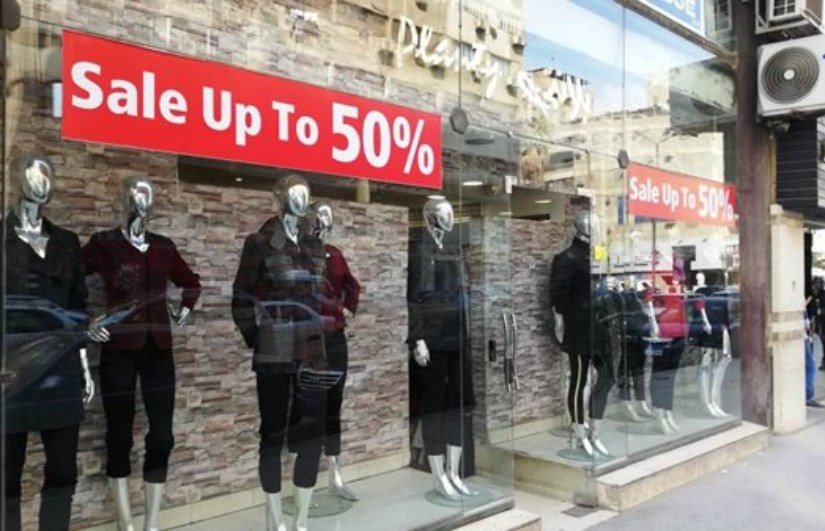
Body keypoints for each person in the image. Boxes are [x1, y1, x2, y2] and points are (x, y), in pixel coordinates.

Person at [805, 312, 823, 408]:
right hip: (803, 338)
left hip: (806, 337)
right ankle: (808, 397)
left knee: (809, 366)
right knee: (810, 367)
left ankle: (807, 396)